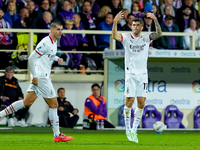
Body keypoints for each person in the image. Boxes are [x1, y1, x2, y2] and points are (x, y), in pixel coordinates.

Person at [0, 21, 73, 142]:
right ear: (52, 30)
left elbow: (48, 55)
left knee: (26, 102)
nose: (61, 32)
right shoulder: (45, 42)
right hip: (41, 77)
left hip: (40, 76)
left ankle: (0, 114)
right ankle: (57, 135)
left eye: (61, 29)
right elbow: (32, 58)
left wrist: (57, 58)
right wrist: (34, 76)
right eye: (58, 29)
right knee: (54, 104)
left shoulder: (54, 42)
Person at [112, 11, 162, 143]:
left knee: (141, 103)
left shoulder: (146, 37)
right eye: (133, 25)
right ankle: (127, 129)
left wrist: (155, 19)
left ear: (141, 27)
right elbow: (114, 36)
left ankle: (134, 130)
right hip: (131, 75)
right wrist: (115, 22)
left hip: (143, 75)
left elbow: (159, 34)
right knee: (129, 102)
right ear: (131, 26)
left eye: (137, 25)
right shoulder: (126, 38)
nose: (135, 27)